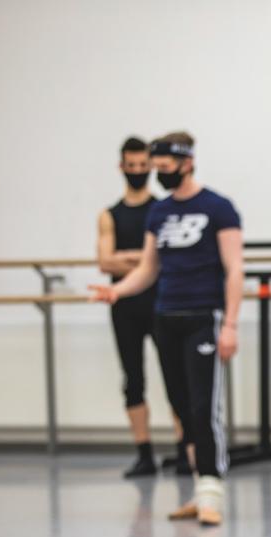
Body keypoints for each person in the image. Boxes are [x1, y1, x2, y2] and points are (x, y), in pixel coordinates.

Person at [90, 131, 244, 525]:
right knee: (181, 407)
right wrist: (117, 291)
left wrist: (229, 324)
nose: (159, 174)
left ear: (187, 162)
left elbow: (234, 270)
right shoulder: (158, 214)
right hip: (165, 318)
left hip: (202, 319)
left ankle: (211, 491)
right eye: (154, 168)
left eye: (164, 168)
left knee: (203, 408)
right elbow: (147, 268)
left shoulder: (218, 208)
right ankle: (198, 489)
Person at [96, 137, 187, 478]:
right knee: (133, 379)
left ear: (150, 167)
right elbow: (105, 262)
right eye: (130, 166)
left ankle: (182, 448)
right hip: (125, 306)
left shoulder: (162, 209)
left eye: (141, 166)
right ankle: (144, 452)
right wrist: (143, 261)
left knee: (174, 377)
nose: (137, 171)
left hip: (161, 304)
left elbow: (165, 259)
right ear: (121, 167)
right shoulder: (109, 215)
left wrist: (129, 259)